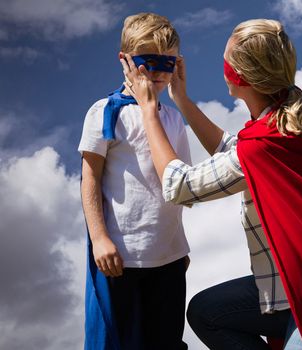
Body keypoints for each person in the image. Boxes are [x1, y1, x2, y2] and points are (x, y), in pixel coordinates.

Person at [120, 18, 302, 349]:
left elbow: (180, 185)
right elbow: (238, 154)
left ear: (237, 76)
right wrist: (182, 101)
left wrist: (149, 110)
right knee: (207, 311)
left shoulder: (266, 141)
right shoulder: (295, 112)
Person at [81, 12, 191, 350]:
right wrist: (99, 238)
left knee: (166, 342)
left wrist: (180, 244)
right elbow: (90, 177)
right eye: (147, 62)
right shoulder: (105, 111)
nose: (157, 72)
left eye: (167, 63)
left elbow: (179, 184)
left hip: (169, 258)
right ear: (125, 60)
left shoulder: (173, 118)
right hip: (119, 259)